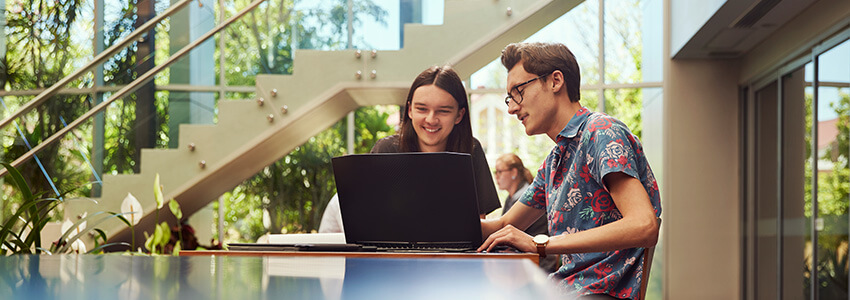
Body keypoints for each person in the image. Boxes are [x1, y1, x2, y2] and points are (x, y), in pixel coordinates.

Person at [478, 42, 661, 300]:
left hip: (602, 293)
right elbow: (505, 224)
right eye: (510, 97)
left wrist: (540, 244)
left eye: (518, 91)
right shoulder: (555, 160)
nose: (511, 108)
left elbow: (644, 226)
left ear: (555, 81)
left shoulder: (602, 132)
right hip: (566, 290)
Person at [319, 65, 500, 233]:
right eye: (422, 109)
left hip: (451, 258)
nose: (431, 119)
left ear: (459, 115)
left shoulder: (471, 149)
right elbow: (368, 220)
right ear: (410, 111)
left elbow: (476, 225)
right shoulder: (387, 150)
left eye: (443, 111)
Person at [494, 153, 558, 272]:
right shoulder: (511, 197)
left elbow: (506, 229)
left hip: (538, 262)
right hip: (526, 259)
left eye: (499, 171)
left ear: (514, 172)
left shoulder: (523, 197)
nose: (496, 177)